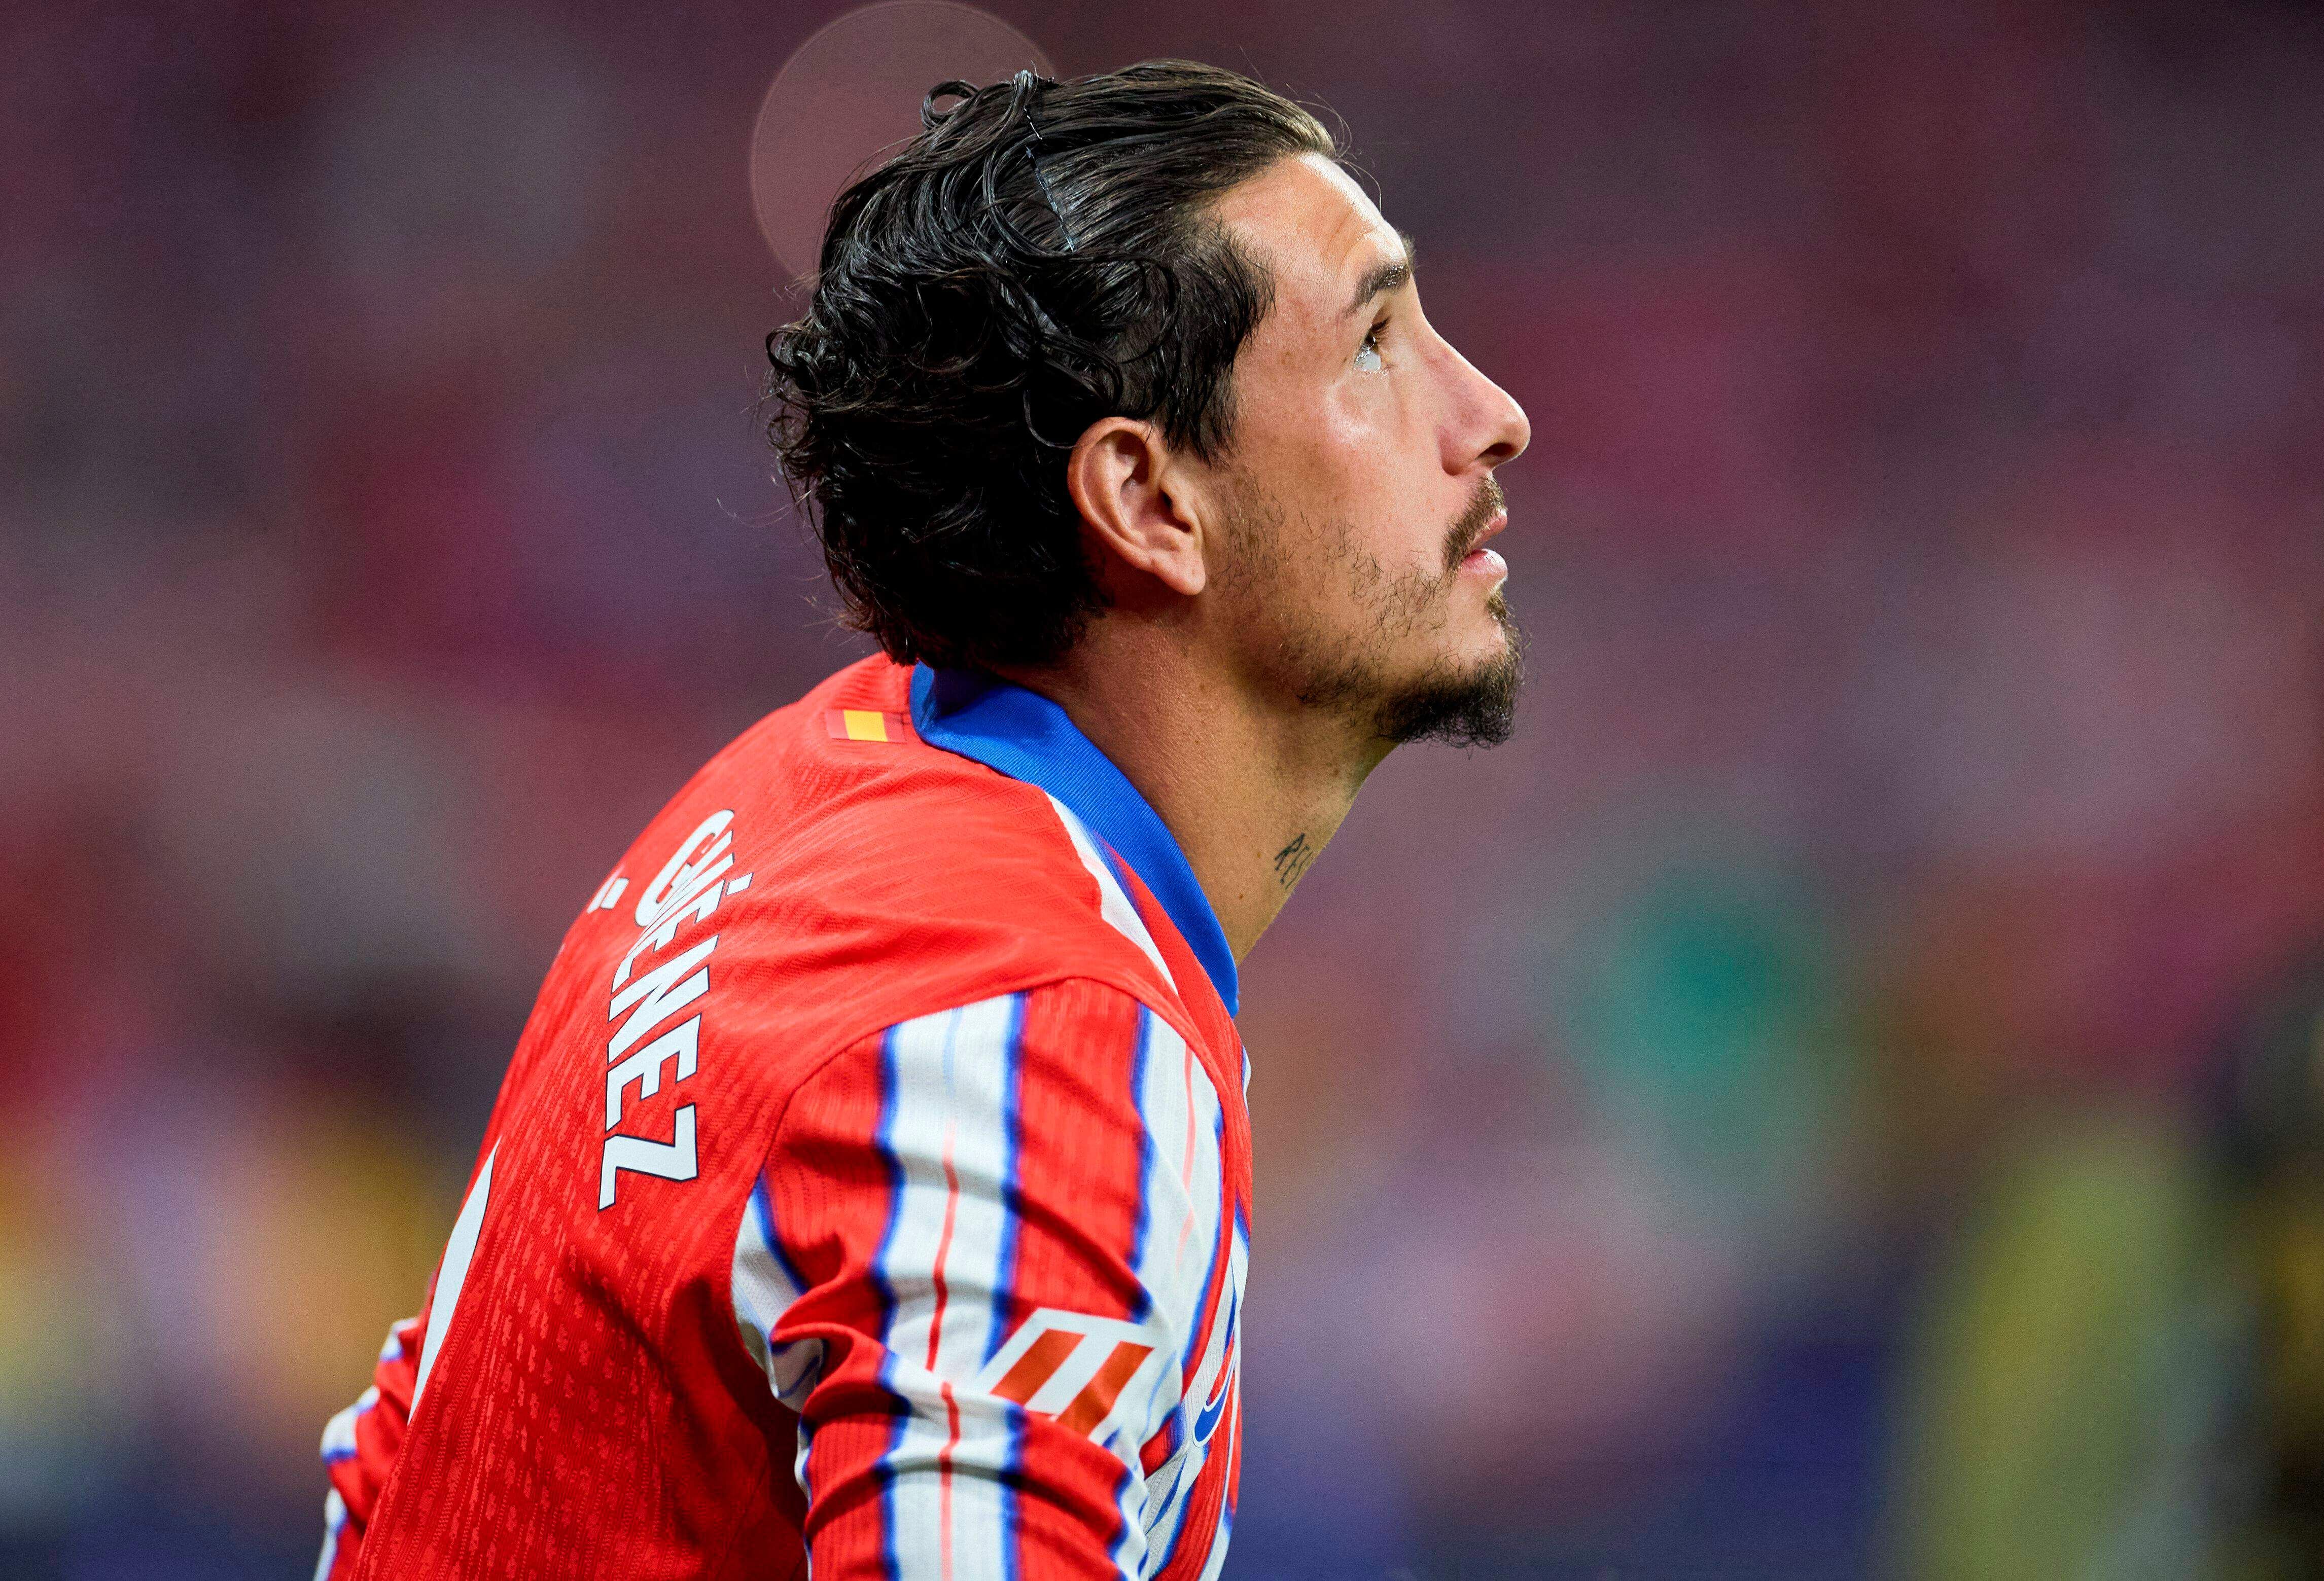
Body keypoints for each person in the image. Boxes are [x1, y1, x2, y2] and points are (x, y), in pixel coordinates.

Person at [316, 58, 1529, 1580]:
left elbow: (401, 1446)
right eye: (1372, 346)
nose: (1493, 416)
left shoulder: (812, 780)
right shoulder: (1025, 1033)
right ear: (1151, 505)